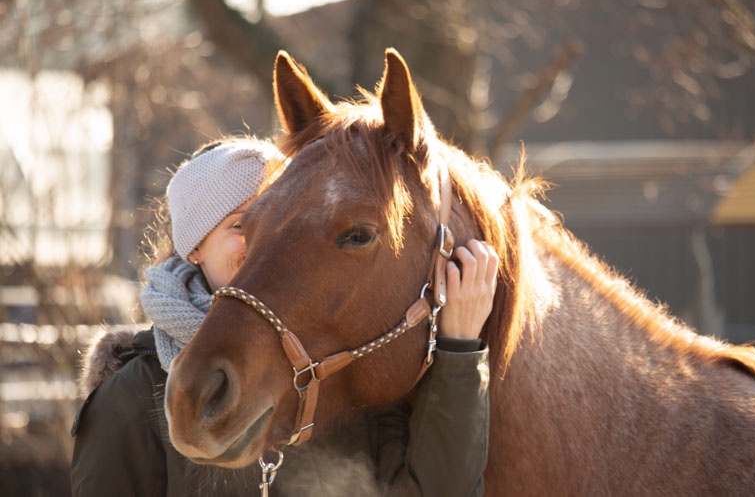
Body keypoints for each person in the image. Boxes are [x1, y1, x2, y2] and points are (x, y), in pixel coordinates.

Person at [70, 137, 498, 496]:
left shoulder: (343, 363)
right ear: (194, 247)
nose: (265, 244)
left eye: (281, 222)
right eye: (241, 226)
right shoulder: (133, 393)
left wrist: (458, 352)